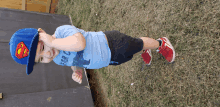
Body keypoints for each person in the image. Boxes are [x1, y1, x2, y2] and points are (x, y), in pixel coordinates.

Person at [9, 25, 175, 84]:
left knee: (137, 43)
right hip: (109, 59)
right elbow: (74, 60)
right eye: (41, 59)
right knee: (130, 54)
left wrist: (52, 41)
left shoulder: (61, 32)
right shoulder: (58, 60)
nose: (47, 54)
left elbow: (80, 43)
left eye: (43, 46)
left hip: (112, 43)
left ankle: (160, 43)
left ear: (43, 33)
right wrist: (77, 70)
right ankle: (144, 49)